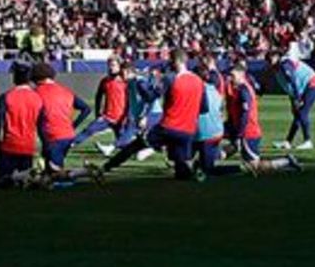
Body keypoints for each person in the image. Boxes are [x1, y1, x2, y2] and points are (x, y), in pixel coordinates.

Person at [96, 50, 203, 181]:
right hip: (187, 130)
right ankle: (201, 171)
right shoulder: (198, 81)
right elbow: (204, 108)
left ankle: (105, 168)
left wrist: (140, 82)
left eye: (170, 61)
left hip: (168, 127)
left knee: (135, 145)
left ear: (175, 61)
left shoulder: (170, 78)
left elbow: (150, 96)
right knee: (181, 172)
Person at [32, 60, 95, 184]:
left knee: (55, 176)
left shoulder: (37, 92)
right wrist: (73, 125)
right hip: (67, 135)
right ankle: (85, 172)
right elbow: (86, 109)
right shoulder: (65, 91)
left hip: (52, 136)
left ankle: (87, 172)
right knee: (50, 172)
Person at [0, 61, 45, 189]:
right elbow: (42, 124)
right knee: (22, 183)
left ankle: (14, 178)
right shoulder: (37, 98)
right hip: (28, 147)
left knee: (0, 182)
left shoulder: (6, 96)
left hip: (9, 145)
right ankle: (22, 177)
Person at [270, 49, 315, 151]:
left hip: (313, 84)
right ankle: (288, 142)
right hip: (303, 88)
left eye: (272, 57)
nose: (270, 60)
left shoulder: (285, 64)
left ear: (277, 57)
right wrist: (293, 100)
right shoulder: (276, 69)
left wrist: (297, 99)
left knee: (303, 113)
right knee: (297, 114)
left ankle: (308, 141)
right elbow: (289, 87)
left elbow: (293, 80)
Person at [75, 57, 128, 149]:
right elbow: (98, 97)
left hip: (121, 118)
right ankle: (71, 144)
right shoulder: (105, 81)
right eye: (109, 65)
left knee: (123, 142)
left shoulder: (125, 82)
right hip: (107, 116)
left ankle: (140, 150)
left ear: (119, 67)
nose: (111, 68)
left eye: (113, 65)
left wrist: (128, 116)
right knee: (89, 130)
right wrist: (98, 112)